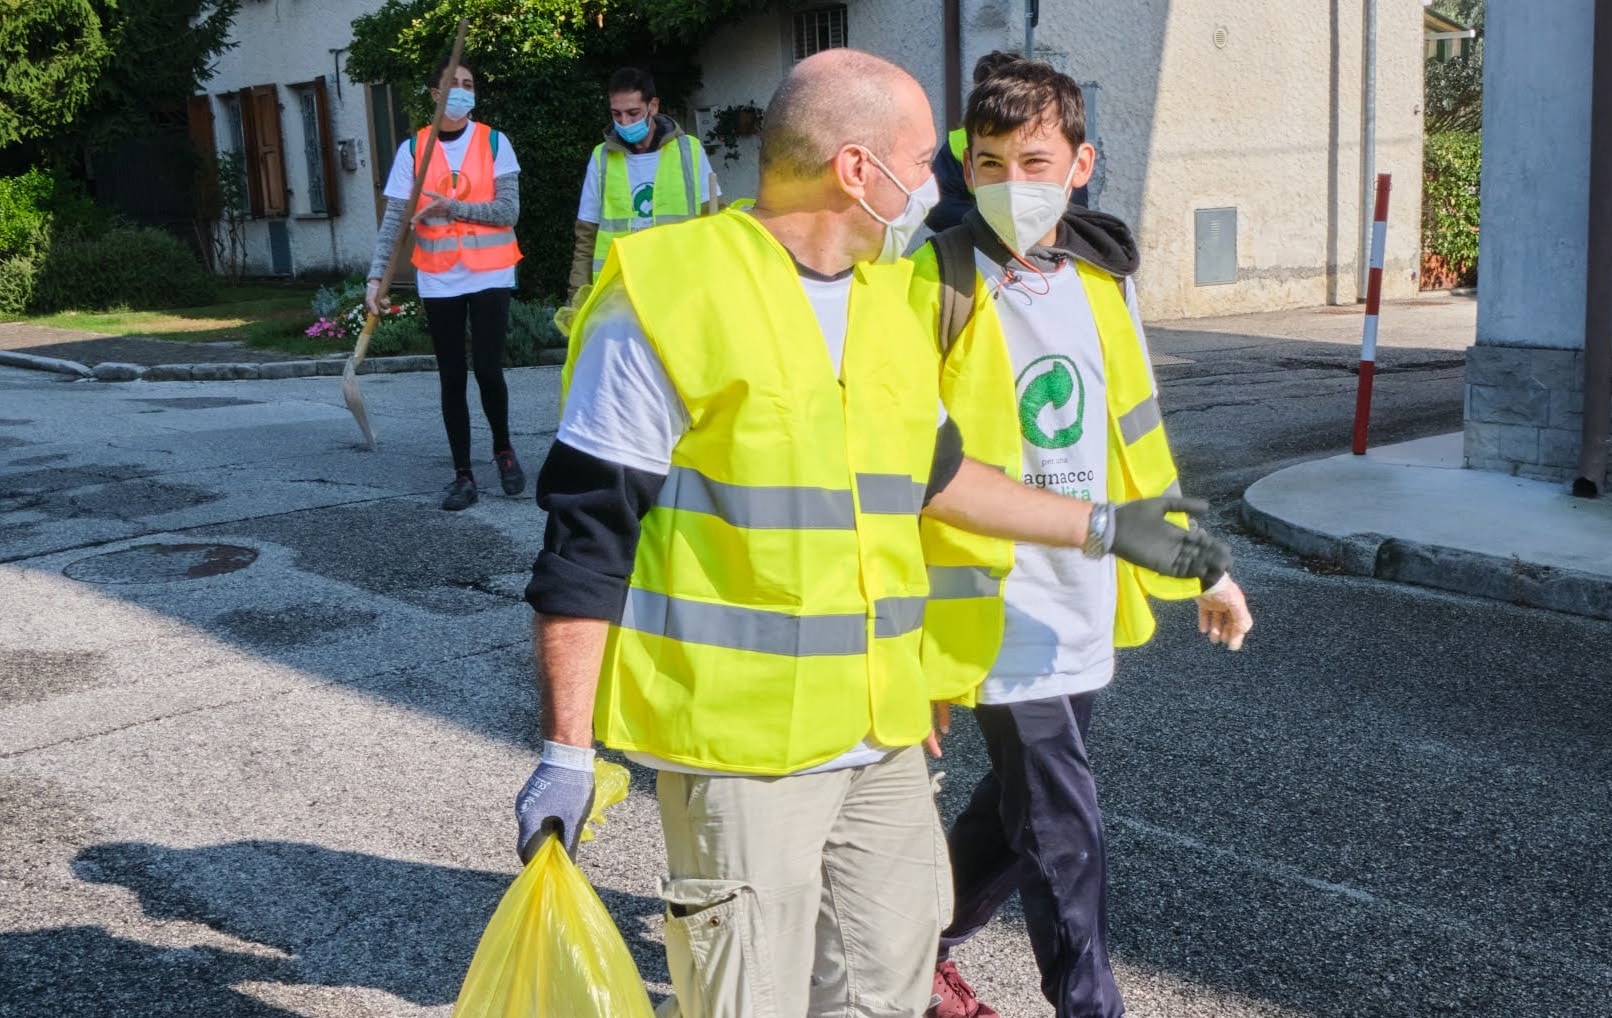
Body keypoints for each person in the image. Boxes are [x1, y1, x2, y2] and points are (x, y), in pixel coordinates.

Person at [515, 48, 1232, 1018]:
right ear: (859, 170)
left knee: (883, 991)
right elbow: (587, 539)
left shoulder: (884, 307)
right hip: (743, 757)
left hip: (880, 742)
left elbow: (942, 480)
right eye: (929, 161)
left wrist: (1109, 527)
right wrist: (566, 751)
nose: (940, 187)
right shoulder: (670, 296)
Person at [912, 58, 1253, 1018]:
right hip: (991, 605)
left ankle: (907, 935)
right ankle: (1088, 1004)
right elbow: (904, 472)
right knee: (1065, 825)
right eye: (987, 162)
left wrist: (1204, 567)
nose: (1011, 183)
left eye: (1034, 160)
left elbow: (1137, 451)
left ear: (1080, 163)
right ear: (961, 166)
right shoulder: (931, 280)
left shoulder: (1101, 283)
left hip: (1081, 601)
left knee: (1019, 820)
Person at [366, 58, 524, 512]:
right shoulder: (414, 150)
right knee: (452, 376)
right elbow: (395, 221)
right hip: (438, 277)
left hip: (490, 271)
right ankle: (463, 474)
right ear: (435, 94)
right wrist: (377, 277)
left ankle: (504, 450)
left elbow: (508, 212)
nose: (461, 91)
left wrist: (450, 208)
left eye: (468, 84)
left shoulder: (495, 142)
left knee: (489, 370)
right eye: (452, 85)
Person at [567, 66, 721, 295]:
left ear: (653, 106)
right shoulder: (602, 157)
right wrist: (577, 296)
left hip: (679, 288)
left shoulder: (689, 150)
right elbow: (586, 237)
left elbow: (715, 221)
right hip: (619, 290)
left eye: (633, 113)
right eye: (616, 114)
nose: (624, 122)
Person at [925, 51, 1088, 233]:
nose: (1012, 180)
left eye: (1034, 161)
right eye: (991, 163)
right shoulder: (958, 142)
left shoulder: (1056, 139)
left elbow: (1075, 209)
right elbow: (937, 209)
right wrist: (991, 222)